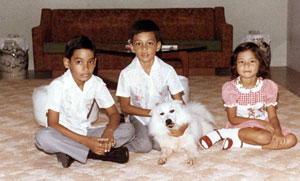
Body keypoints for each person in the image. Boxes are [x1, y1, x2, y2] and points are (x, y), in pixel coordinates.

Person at [35, 35, 135, 168]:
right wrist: (87, 142)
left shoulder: (96, 83)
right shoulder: (58, 85)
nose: (86, 68)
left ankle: (71, 152)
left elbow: (114, 114)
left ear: (95, 62)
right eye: (79, 62)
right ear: (67, 63)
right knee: (42, 137)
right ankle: (93, 153)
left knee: (129, 129)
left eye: (91, 62)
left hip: (85, 131)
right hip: (63, 133)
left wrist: (109, 132)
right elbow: (53, 123)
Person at [199, 42, 297, 150]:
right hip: (241, 125)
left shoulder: (268, 87)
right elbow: (232, 119)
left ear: (260, 64)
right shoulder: (231, 89)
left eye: (251, 61)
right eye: (241, 62)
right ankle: (223, 133)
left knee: (291, 139)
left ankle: (238, 143)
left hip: (265, 124)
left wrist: (278, 131)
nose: (246, 65)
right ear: (235, 66)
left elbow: (272, 116)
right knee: (264, 137)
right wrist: (260, 122)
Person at [116, 19, 188, 153]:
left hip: (163, 117)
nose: (144, 48)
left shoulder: (167, 70)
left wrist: (184, 125)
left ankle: (142, 135)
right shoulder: (126, 73)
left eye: (149, 43)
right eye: (139, 44)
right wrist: (152, 113)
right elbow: (125, 107)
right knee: (144, 146)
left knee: (165, 145)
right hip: (138, 116)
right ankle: (120, 146)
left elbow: (179, 101)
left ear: (158, 46)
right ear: (131, 47)